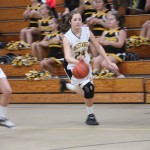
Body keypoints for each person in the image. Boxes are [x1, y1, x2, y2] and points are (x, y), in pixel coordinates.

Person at [60, 11, 118, 125]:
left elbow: (98, 46)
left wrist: (108, 61)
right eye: (75, 19)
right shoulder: (67, 37)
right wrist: (79, 62)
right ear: (70, 22)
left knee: (88, 90)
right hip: (72, 66)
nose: (77, 22)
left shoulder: (86, 31)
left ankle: (67, 85)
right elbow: (67, 57)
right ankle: (90, 116)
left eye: (79, 19)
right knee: (88, 89)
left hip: (84, 65)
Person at [93, 12, 126, 78]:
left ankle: (119, 75)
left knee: (104, 63)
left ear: (117, 22)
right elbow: (101, 42)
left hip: (117, 53)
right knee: (96, 60)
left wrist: (109, 42)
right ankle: (96, 75)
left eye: (111, 19)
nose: (109, 21)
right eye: (108, 20)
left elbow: (120, 45)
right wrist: (101, 42)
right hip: (107, 53)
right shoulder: (105, 32)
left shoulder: (121, 31)